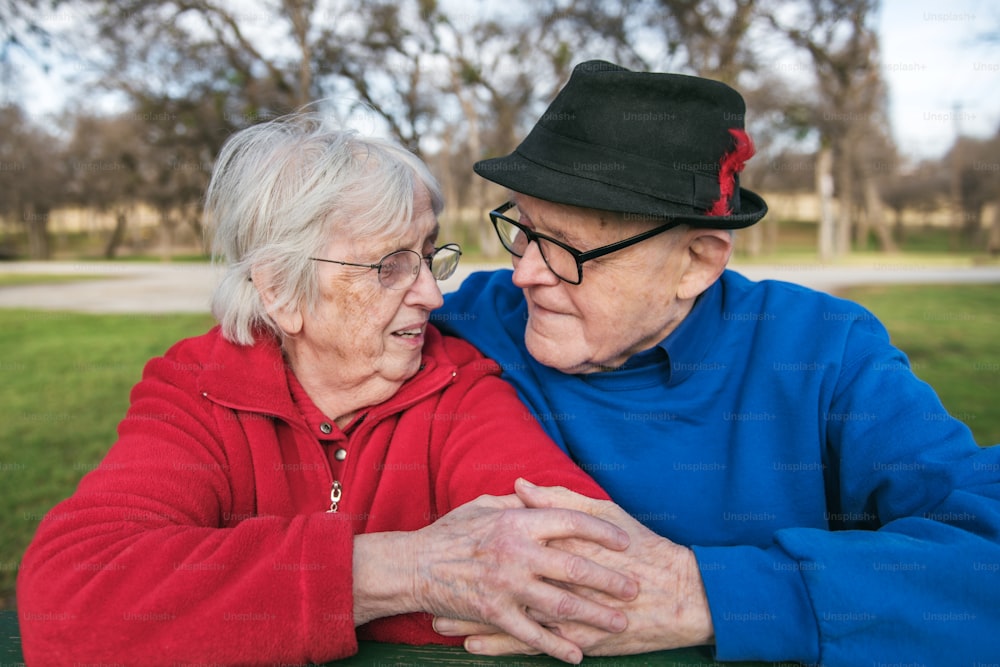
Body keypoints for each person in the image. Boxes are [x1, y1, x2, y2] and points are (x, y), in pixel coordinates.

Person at [15, 112, 643, 666]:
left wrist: (216, 611)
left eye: (428, 256)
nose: (431, 294)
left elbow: (587, 576)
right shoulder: (199, 392)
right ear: (281, 290)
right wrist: (409, 572)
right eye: (389, 265)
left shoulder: (458, 387)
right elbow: (69, 608)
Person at [431, 60, 1000, 666]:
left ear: (698, 261)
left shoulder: (820, 351)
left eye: (567, 247)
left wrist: (699, 594)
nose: (524, 273)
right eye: (522, 228)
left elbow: (984, 560)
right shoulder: (464, 320)